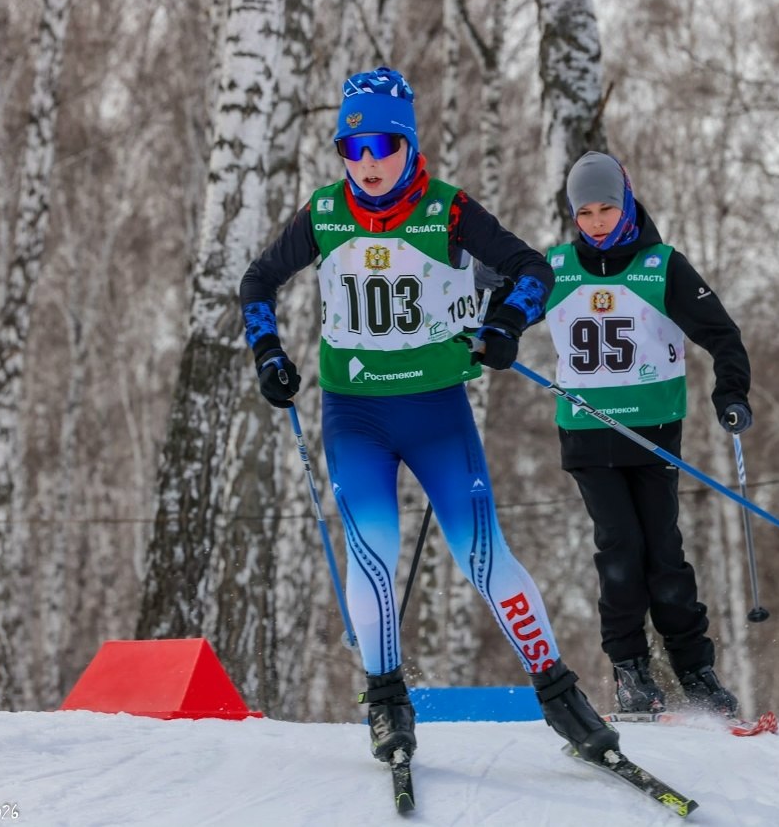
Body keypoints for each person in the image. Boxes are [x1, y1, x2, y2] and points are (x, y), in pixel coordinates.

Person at [239, 67, 618, 766]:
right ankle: (386, 704)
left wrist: (506, 324)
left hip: (436, 409)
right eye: (352, 150)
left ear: (408, 145)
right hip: (355, 415)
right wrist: (268, 352)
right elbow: (257, 280)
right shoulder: (323, 213)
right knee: (374, 554)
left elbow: (536, 270)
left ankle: (560, 696)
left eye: (382, 145)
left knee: (482, 555)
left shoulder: (447, 210)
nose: (368, 163)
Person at [539, 151, 752, 717]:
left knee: (664, 551)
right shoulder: (555, 268)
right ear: (573, 216)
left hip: (653, 432)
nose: (598, 221)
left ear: (627, 204)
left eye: (608, 207)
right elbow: (498, 303)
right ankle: (632, 672)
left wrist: (731, 394)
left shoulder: (661, 266)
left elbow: (722, 334)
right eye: (585, 212)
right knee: (620, 549)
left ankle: (695, 671)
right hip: (587, 433)